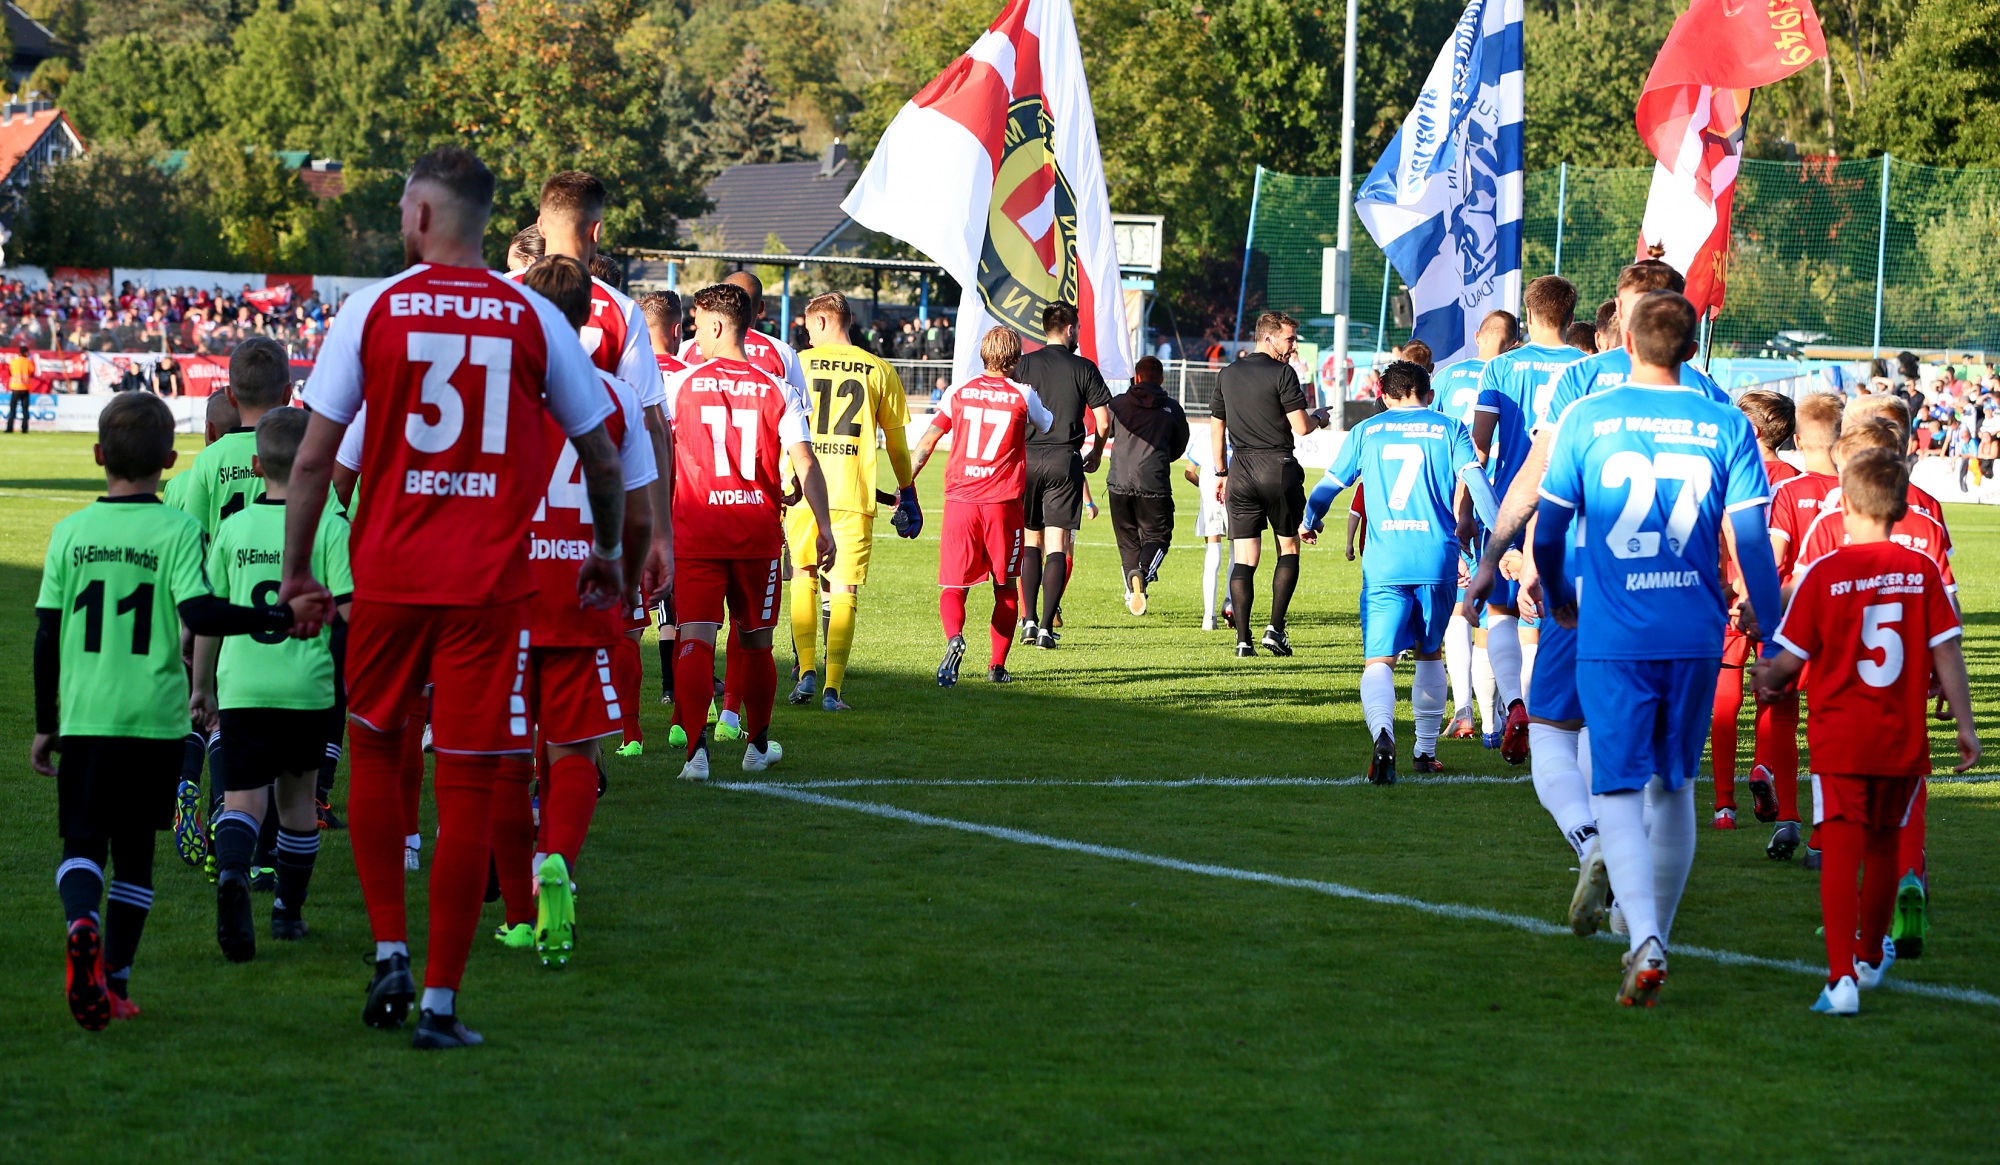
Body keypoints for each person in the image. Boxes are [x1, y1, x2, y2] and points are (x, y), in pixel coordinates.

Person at [279, 146, 628, 1051]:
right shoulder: (533, 318)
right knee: (470, 778)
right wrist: (607, 550)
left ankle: (389, 945)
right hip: (489, 587)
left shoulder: (373, 309)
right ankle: (439, 1002)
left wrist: (299, 572)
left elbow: (315, 459)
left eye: (405, 210)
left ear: (425, 218)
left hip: (390, 580)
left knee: (377, 749)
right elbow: (598, 452)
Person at [33, 393, 326, 1029]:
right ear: (170, 459)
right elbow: (201, 616)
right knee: (135, 854)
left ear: (96, 455)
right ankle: (114, 981)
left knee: (82, 845)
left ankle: (81, 921)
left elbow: (45, 635)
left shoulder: (69, 533)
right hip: (157, 720)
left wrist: (44, 723)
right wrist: (277, 615)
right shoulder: (179, 531)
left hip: (84, 718)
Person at [1465, 260, 1729, 940]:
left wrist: (1497, 556)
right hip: (1681, 600)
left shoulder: (1581, 383)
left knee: (1556, 728)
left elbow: (1535, 479)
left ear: (1618, 310)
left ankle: (1591, 842)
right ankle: (1645, 926)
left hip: (1587, 584)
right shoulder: (1709, 394)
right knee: (1665, 775)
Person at [1534, 290, 1782, 1007]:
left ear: (1629, 345)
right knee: (1675, 785)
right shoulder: (1726, 423)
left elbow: (1550, 533)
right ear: (1691, 350)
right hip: (1695, 630)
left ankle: (1641, 934)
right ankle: (1657, 938)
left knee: (1614, 785)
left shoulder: (1588, 417)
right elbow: (1754, 545)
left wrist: (1559, 593)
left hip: (1615, 631)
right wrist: (1769, 630)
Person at [1753, 449, 1977, 1015]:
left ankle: (1840, 979)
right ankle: (1871, 955)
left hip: (1840, 738)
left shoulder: (1825, 573)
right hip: (1902, 739)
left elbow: (1787, 661)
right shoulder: (1922, 571)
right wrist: (1967, 724)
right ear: (1902, 507)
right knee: (1882, 848)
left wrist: (1767, 679)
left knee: (1842, 849)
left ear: (1846, 505)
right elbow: (1946, 648)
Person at [487, 256, 655, 967]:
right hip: (582, 585)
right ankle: (555, 859)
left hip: (506, 589)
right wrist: (620, 565)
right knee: (574, 746)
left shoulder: (500, 393)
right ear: (591, 318)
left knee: (501, 756)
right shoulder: (614, 396)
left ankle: (521, 916)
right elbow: (640, 511)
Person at [190, 407, 351, 960]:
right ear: (318, 464)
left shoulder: (233, 530)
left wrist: (203, 686)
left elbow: (213, 616)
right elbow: (350, 612)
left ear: (257, 464)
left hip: (243, 687)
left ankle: (233, 872)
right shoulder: (330, 527)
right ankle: (287, 912)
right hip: (305, 688)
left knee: (242, 799)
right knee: (298, 802)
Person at [528, 172, 674, 758]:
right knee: (586, 654)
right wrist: (659, 529)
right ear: (596, 231)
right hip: (591, 522)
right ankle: (573, 779)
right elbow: (650, 422)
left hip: (510, 523)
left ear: (539, 225)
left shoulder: (499, 295)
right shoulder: (617, 311)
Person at [663, 282, 833, 780]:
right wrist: (824, 527)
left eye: (696, 325)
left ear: (716, 325)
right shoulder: (777, 388)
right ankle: (756, 746)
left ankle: (695, 754)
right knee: (756, 641)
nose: (694, 335)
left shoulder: (680, 385)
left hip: (695, 530)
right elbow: (805, 461)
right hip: (755, 533)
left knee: (694, 637)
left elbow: (659, 454)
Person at [1302, 360, 1476, 781]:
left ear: (1382, 397)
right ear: (1429, 395)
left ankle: (1383, 734)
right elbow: (1479, 488)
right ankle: (1425, 752)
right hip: (1437, 557)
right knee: (1430, 654)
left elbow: (1328, 487)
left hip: (1384, 562)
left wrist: (1310, 519)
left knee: (1378, 661)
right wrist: (1494, 545)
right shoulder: (1449, 428)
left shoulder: (1366, 431)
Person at [787, 292, 922, 711]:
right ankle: (832, 689)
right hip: (852, 493)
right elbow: (898, 446)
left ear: (825, 322)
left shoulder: (797, 364)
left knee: (803, 574)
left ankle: (805, 670)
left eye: (810, 327)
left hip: (803, 489)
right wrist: (908, 491)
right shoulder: (879, 368)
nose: (807, 336)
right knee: (843, 588)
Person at [1470, 275, 1582, 762]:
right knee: (1550, 618)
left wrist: (1468, 509)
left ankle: (1511, 705)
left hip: (1507, 503)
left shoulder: (1499, 368)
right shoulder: (1589, 367)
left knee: (1500, 613)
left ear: (1528, 315)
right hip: (1566, 505)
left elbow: (1477, 444)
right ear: (1571, 316)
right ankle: (1542, 716)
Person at [913, 327, 1053, 685]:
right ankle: (996, 667)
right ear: (1016, 358)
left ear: (983, 354)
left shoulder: (958, 391)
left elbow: (928, 442)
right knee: (1005, 587)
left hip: (960, 500)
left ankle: (954, 638)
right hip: (1002, 505)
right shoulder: (1023, 394)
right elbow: (1047, 423)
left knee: (954, 585)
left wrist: (906, 483)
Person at [1748, 392, 1843, 855]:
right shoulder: (1854, 493)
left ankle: (1787, 819)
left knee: (1781, 717)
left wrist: (1755, 605)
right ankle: (1826, 830)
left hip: (1790, 618)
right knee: (1825, 724)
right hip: (1843, 623)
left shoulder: (1791, 491)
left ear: (1799, 440)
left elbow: (1775, 560)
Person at [1209, 311, 1328, 657]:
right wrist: (1319, 417)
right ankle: (1275, 629)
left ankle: (1243, 641)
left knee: (1245, 558)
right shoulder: (1283, 374)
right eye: (1289, 339)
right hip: (1276, 467)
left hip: (1241, 470)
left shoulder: (1228, 374)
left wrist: (1221, 473)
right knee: (1288, 548)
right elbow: (1302, 426)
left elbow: (1217, 427)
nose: (1293, 347)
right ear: (1268, 337)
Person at [1708, 390, 1798, 831]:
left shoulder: (1728, 471)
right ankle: (1763, 771)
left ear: (1753, 430)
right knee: (1773, 695)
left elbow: (1718, 533)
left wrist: (1725, 585)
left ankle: (1724, 805)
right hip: (1776, 601)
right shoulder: (1796, 479)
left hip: (1730, 599)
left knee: (1725, 695)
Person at [1433, 310, 1516, 738]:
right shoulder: (1512, 373)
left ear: (1479, 335)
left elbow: (1438, 433)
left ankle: (1464, 708)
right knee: (1508, 612)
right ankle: (1500, 712)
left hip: (1464, 498)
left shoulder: (1449, 377)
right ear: (1514, 340)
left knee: (1460, 608)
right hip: (1513, 501)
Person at [1014, 302, 1112, 649]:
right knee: (1057, 543)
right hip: (1063, 458)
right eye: (1079, 328)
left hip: (1026, 459)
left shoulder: (1023, 364)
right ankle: (1044, 627)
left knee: (1030, 542)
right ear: (1070, 329)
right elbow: (1103, 421)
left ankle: (1026, 622)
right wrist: (1097, 453)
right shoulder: (1084, 367)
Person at [638, 290, 692, 739]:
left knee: (628, 615)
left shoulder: (623, 372)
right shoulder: (690, 379)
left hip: (625, 504)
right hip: (677, 505)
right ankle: (679, 692)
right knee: (678, 607)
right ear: (676, 329)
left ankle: (625, 727)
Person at [1105, 355, 1190, 614]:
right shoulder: (1172, 409)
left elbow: (1105, 430)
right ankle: (1141, 574)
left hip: (1118, 480)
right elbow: (1179, 446)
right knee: (1158, 536)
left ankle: (1133, 589)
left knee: (1127, 540)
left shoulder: (1118, 404)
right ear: (1162, 379)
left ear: (1137, 377)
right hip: (1153, 481)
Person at [6, 346, 32, 431]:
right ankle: (24, 428)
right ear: (26, 353)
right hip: (25, 388)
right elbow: (31, 372)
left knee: (12, 409)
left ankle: (9, 428)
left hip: (15, 388)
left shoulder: (14, 362)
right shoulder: (28, 362)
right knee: (25, 410)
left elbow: (10, 372)